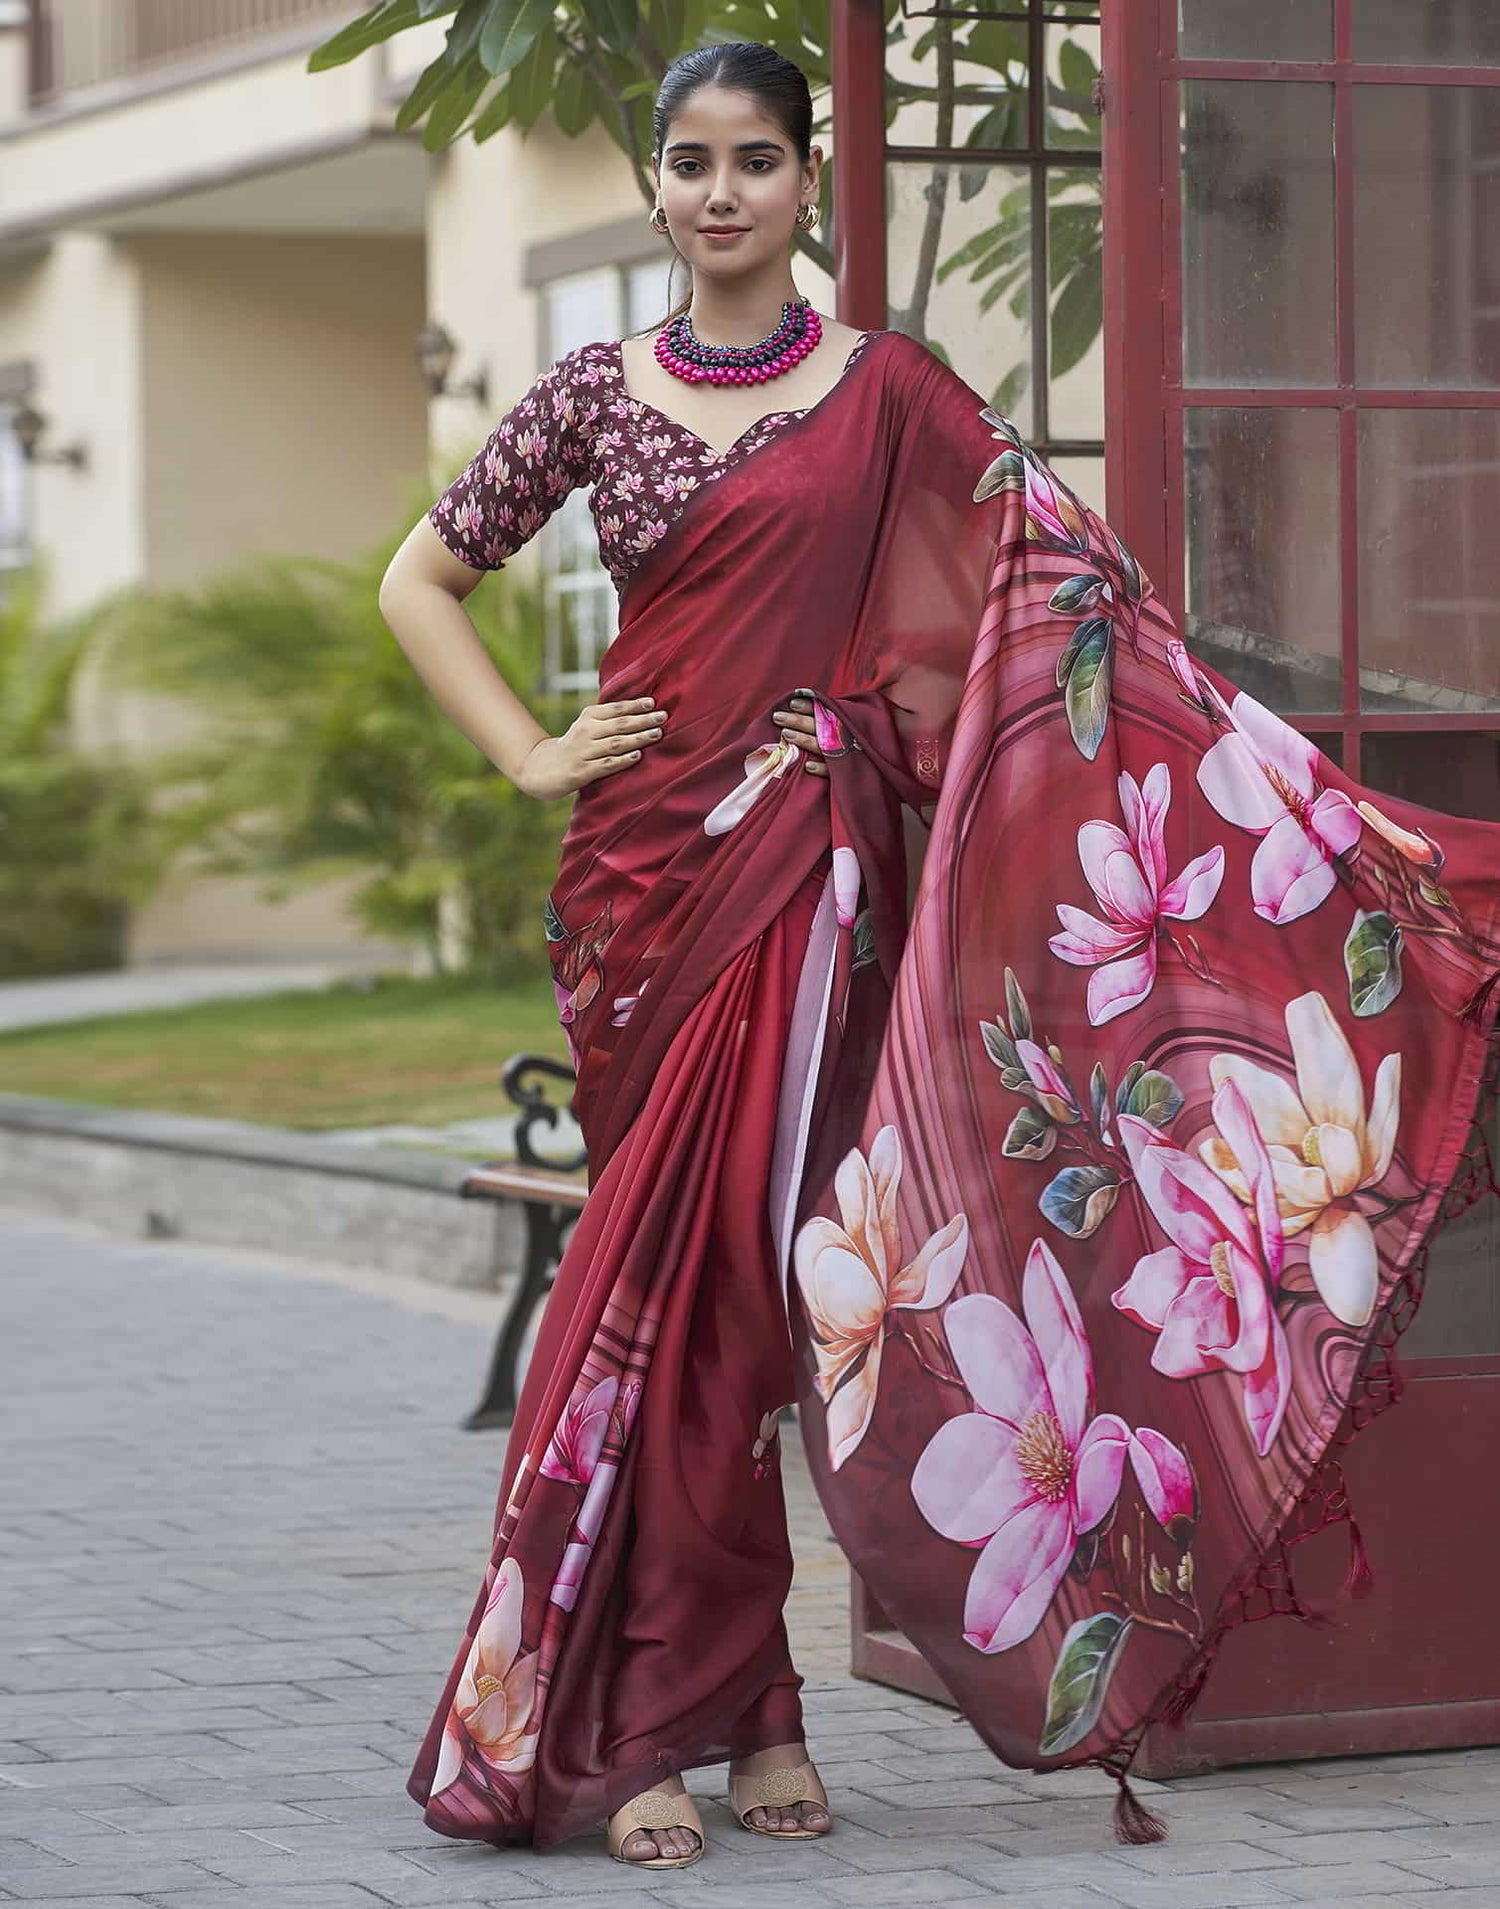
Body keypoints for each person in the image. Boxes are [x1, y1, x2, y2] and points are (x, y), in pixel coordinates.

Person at [377, 39, 1500, 1872]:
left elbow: (1057, 590)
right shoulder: (592, 394)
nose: (719, 190)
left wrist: (1268, 778)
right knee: (671, 1310)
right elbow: (416, 578)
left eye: (755, 158)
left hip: (819, 885)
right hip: (639, 900)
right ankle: (693, 1710)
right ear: (657, 185)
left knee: (780, 1294)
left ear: (812, 184)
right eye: (689, 161)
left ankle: (732, 1703)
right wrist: (525, 749)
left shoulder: (889, 391)